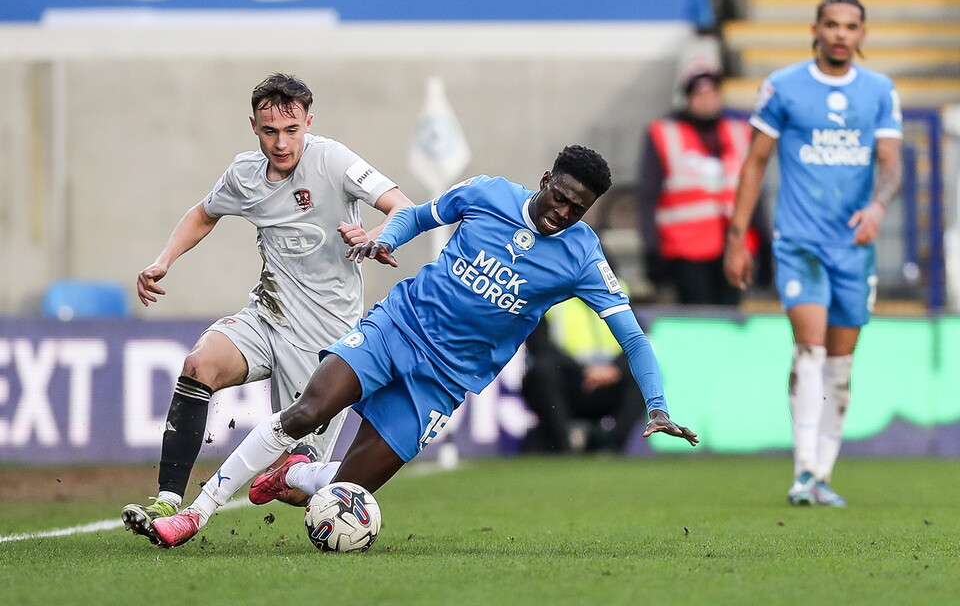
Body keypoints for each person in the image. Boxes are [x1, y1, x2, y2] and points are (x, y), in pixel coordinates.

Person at [146, 144, 699, 548]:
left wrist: (656, 404)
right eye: (559, 197)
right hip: (397, 328)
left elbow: (631, 335)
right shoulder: (487, 194)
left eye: (577, 209)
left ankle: (292, 475)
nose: (562, 213)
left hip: (443, 381)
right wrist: (386, 238)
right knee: (308, 411)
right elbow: (417, 214)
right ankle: (196, 513)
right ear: (546, 178)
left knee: (341, 493)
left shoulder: (581, 256)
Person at [121, 72, 413, 541]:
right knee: (199, 365)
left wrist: (375, 237)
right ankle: (168, 500)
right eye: (269, 131)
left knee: (296, 488)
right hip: (268, 315)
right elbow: (203, 213)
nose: (281, 143)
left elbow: (401, 206)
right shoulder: (244, 174)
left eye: (291, 130)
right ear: (254, 127)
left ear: (308, 123)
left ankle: (286, 474)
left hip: (326, 341)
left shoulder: (334, 160)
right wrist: (163, 261)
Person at [723, 0, 903, 507]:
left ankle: (822, 475)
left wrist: (877, 207)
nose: (841, 34)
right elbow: (755, 162)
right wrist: (738, 238)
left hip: (854, 247)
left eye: (851, 26)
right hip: (799, 241)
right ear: (815, 29)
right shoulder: (783, 87)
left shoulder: (879, 91)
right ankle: (802, 472)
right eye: (832, 24)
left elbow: (890, 162)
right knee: (809, 350)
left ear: (862, 35)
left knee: (840, 367)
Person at [637, 64, 771, 305]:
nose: (707, 100)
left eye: (712, 94)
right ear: (688, 99)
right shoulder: (664, 133)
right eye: (699, 94)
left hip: (735, 246)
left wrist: (765, 242)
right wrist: (651, 248)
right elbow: (647, 196)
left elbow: (753, 191)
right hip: (685, 249)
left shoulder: (739, 131)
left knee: (731, 316)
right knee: (696, 317)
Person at [519, 293, 646, 453]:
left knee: (643, 373)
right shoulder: (547, 293)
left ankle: (611, 448)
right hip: (568, 382)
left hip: (607, 383)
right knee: (543, 371)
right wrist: (584, 371)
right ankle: (564, 446)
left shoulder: (617, 289)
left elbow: (638, 340)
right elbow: (540, 346)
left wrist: (615, 369)